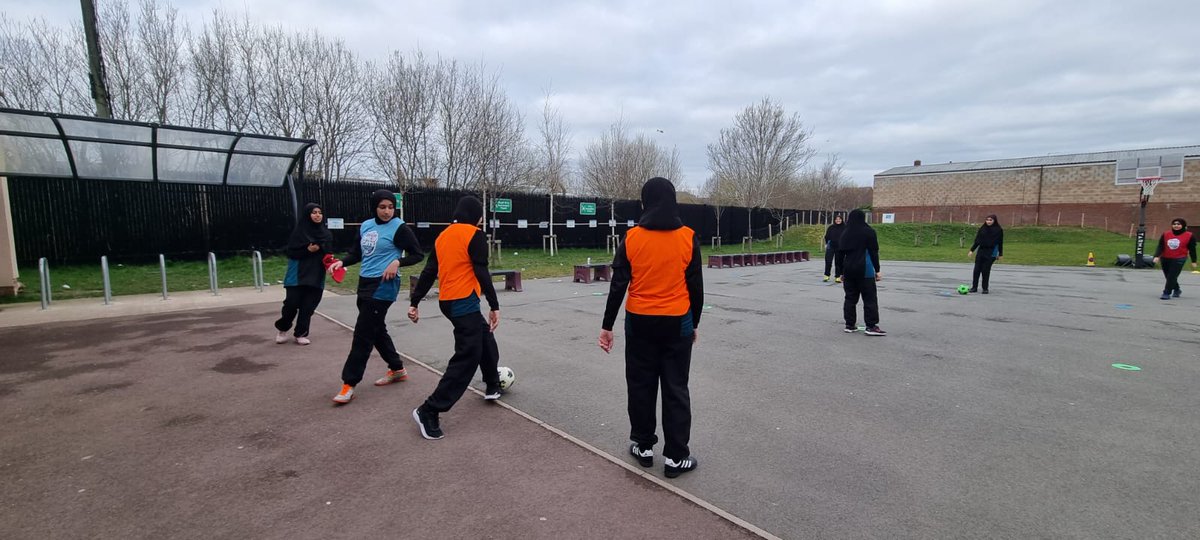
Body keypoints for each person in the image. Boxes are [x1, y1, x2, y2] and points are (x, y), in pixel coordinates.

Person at [598, 177, 703, 479]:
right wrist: (694, 323)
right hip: (677, 322)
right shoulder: (688, 238)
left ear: (645, 203)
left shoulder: (631, 238)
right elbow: (696, 288)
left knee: (640, 385)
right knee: (676, 388)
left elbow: (618, 285)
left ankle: (643, 446)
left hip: (639, 322)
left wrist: (607, 326)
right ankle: (676, 457)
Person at [409, 196, 501, 440]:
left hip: (447, 302)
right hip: (463, 301)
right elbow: (481, 271)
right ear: (476, 216)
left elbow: (429, 271)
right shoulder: (475, 234)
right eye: (481, 217)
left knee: (484, 336)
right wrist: (494, 305)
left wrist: (415, 301)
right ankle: (429, 409)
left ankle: (493, 383)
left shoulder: (443, 236)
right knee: (468, 355)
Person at [328, 189, 424, 405]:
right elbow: (356, 253)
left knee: (363, 333)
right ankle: (397, 368)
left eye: (390, 207)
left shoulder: (399, 227)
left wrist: (397, 262)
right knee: (376, 328)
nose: (387, 211)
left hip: (385, 285)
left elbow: (418, 254)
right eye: (382, 207)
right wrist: (341, 262)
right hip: (365, 282)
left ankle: (349, 383)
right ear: (374, 207)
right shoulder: (366, 226)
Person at [274, 202, 332, 345]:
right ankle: (283, 328)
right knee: (291, 304)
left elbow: (329, 253)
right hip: (297, 275)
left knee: (308, 306)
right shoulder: (299, 232)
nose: (318, 215)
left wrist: (333, 264)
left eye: (320, 212)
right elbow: (291, 252)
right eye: (314, 212)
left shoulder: (326, 234)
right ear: (307, 215)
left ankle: (301, 333)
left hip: (316, 274)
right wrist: (307, 250)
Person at [838, 209, 885, 336]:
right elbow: (874, 252)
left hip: (848, 269)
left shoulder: (845, 233)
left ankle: (849, 324)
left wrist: (840, 272)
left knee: (850, 298)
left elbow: (840, 255)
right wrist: (877, 270)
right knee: (869, 298)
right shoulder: (869, 232)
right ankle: (871, 326)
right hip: (865, 269)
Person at [1152, 218, 1197, 300]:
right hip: (1165, 257)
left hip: (1179, 258)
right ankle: (1177, 289)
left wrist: (1194, 261)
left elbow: (1192, 249)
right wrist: (1157, 256)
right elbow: (1161, 246)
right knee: (1168, 276)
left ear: (1183, 225)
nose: (1176, 225)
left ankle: (1166, 293)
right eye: (1174, 224)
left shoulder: (1189, 235)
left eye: (1178, 224)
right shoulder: (1166, 234)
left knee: (1172, 276)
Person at [967, 214, 1004, 294]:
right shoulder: (982, 229)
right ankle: (974, 287)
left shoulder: (998, 230)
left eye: (990, 220)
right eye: (987, 220)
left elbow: (1000, 242)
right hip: (981, 251)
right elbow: (977, 241)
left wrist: (1000, 254)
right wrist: (971, 250)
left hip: (991, 252)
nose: (988, 221)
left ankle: (985, 288)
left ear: (994, 221)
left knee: (985, 270)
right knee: (976, 270)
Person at [823, 214, 845, 283]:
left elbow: (847, 237)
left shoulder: (845, 227)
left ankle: (837, 277)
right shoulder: (831, 227)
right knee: (828, 261)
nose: (838, 220)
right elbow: (827, 236)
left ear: (842, 220)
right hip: (831, 246)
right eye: (836, 219)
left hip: (840, 247)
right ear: (834, 220)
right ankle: (826, 275)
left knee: (838, 262)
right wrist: (826, 244)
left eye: (839, 219)